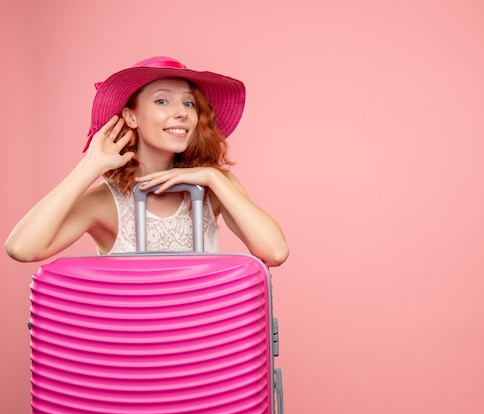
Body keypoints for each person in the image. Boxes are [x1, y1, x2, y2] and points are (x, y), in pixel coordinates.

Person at [5, 56, 289, 267]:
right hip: (133, 344)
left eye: (189, 103)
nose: (181, 113)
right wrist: (90, 165)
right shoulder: (106, 202)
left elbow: (274, 253)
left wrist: (214, 177)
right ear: (131, 117)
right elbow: (22, 248)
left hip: (203, 343)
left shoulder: (213, 188)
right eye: (162, 101)